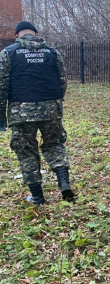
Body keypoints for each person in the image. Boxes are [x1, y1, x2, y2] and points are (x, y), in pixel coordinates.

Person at [0, 21, 75, 205]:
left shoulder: (8, 53)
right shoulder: (52, 52)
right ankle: (63, 181)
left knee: (26, 152)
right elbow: (62, 80)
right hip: (51, 108)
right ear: (35, 33)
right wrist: (58, 101)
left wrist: (2, 113)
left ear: (17, 35)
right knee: (55, 144)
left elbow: (1, 85)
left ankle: (38, 197)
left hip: (21, 111)